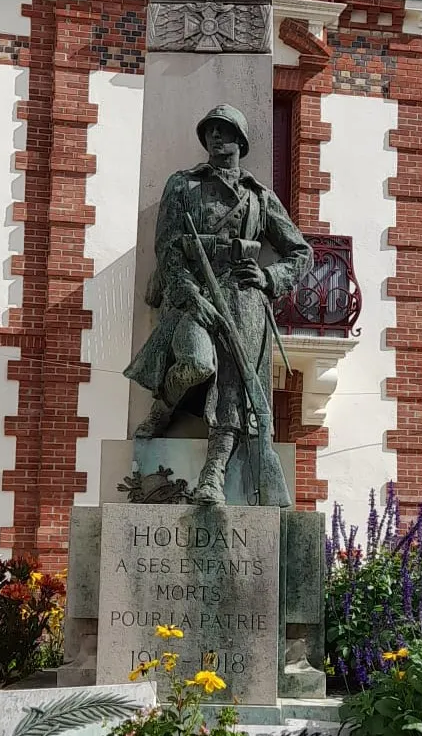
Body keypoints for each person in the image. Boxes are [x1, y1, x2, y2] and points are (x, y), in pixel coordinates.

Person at [125, 104, 313, 504]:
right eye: (210, 130)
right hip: (195, 294)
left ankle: (214, 474)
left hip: (243, 301)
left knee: (234, 386)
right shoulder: (184, 185)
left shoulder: (259, 197)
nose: (215, 136)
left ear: (240, 142)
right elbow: (168, 249)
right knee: (197, 362)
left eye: (224, 131)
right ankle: (163, 407)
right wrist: (190, 295)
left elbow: (300, 251)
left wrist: (267, 277)